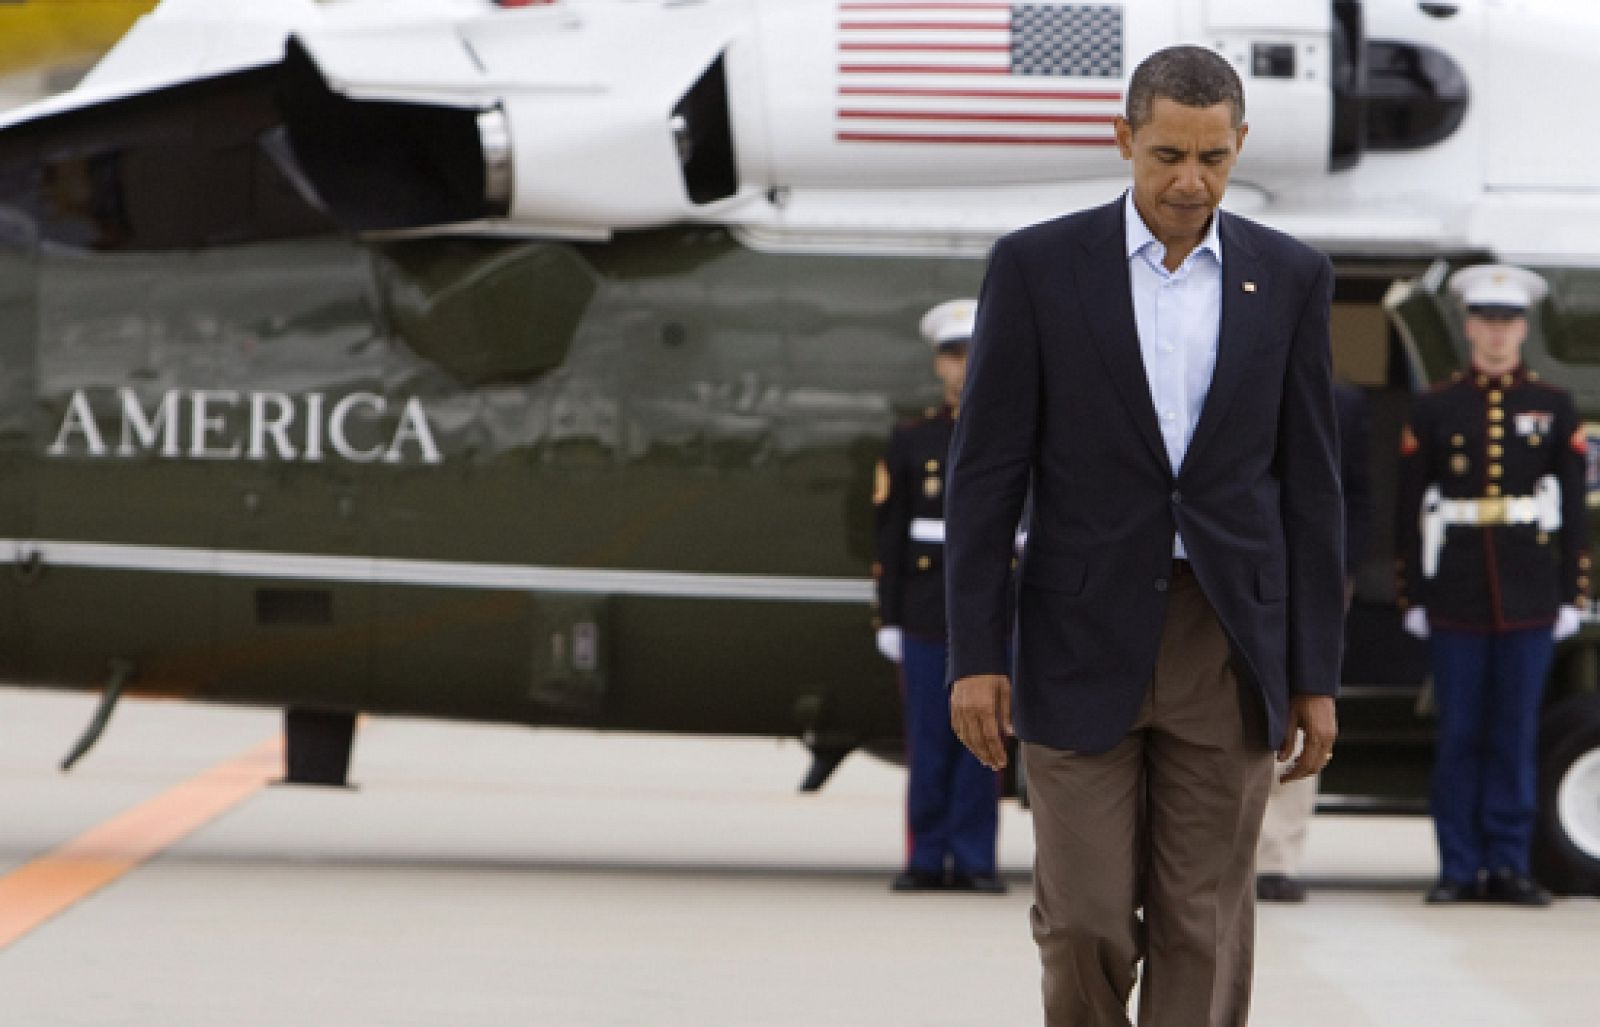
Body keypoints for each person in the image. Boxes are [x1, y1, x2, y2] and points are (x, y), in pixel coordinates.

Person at [944, 45, 1344, 1026]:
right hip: (1076, 638)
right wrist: (972, 656)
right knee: (1083, 920)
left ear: (1239, 145)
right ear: (1122, 139)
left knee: (1200, 921)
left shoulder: (1289, 277)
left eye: (1212, 157)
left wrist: (1314, 673)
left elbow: (1311, 488)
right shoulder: (1037, 268)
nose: (1189, 180)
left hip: (1226, 640)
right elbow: (986, 477)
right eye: (1167, 154)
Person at [1395, 264, 1589, 907]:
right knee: (1460, 737)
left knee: (1514, 735)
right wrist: (1413, 594)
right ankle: (1458, 866)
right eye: (1485, 319)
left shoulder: (1554, 406)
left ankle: (1508, 864)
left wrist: (1571, 595)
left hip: (1530, 596)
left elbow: (1573, 513)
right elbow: (1409, 506)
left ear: (1523, 329)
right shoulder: (1437, 406)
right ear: (1468, 325)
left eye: (1508, 321)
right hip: (1456, 594)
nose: (1496, 332)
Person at [872, 298, 1004, 895]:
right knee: (928, 740)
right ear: (938, 365)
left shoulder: (1017, 433)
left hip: (997, 610)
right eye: (954, 354)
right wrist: (890, 616)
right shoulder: (912, 439)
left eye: (975, 353)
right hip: (928, 610)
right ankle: (925, 856)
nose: (965, 366)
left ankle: (975, 858)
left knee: (988, 739)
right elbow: (890, 536)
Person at [1256, 381, 1372, 903]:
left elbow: (1358, 493)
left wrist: (1342, 571)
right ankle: (1231, 850)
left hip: (1313, 572)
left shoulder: (1341, 400)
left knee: (1305, 699)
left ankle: (1278, 857)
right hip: (1241, 564)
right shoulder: (1230, 373)